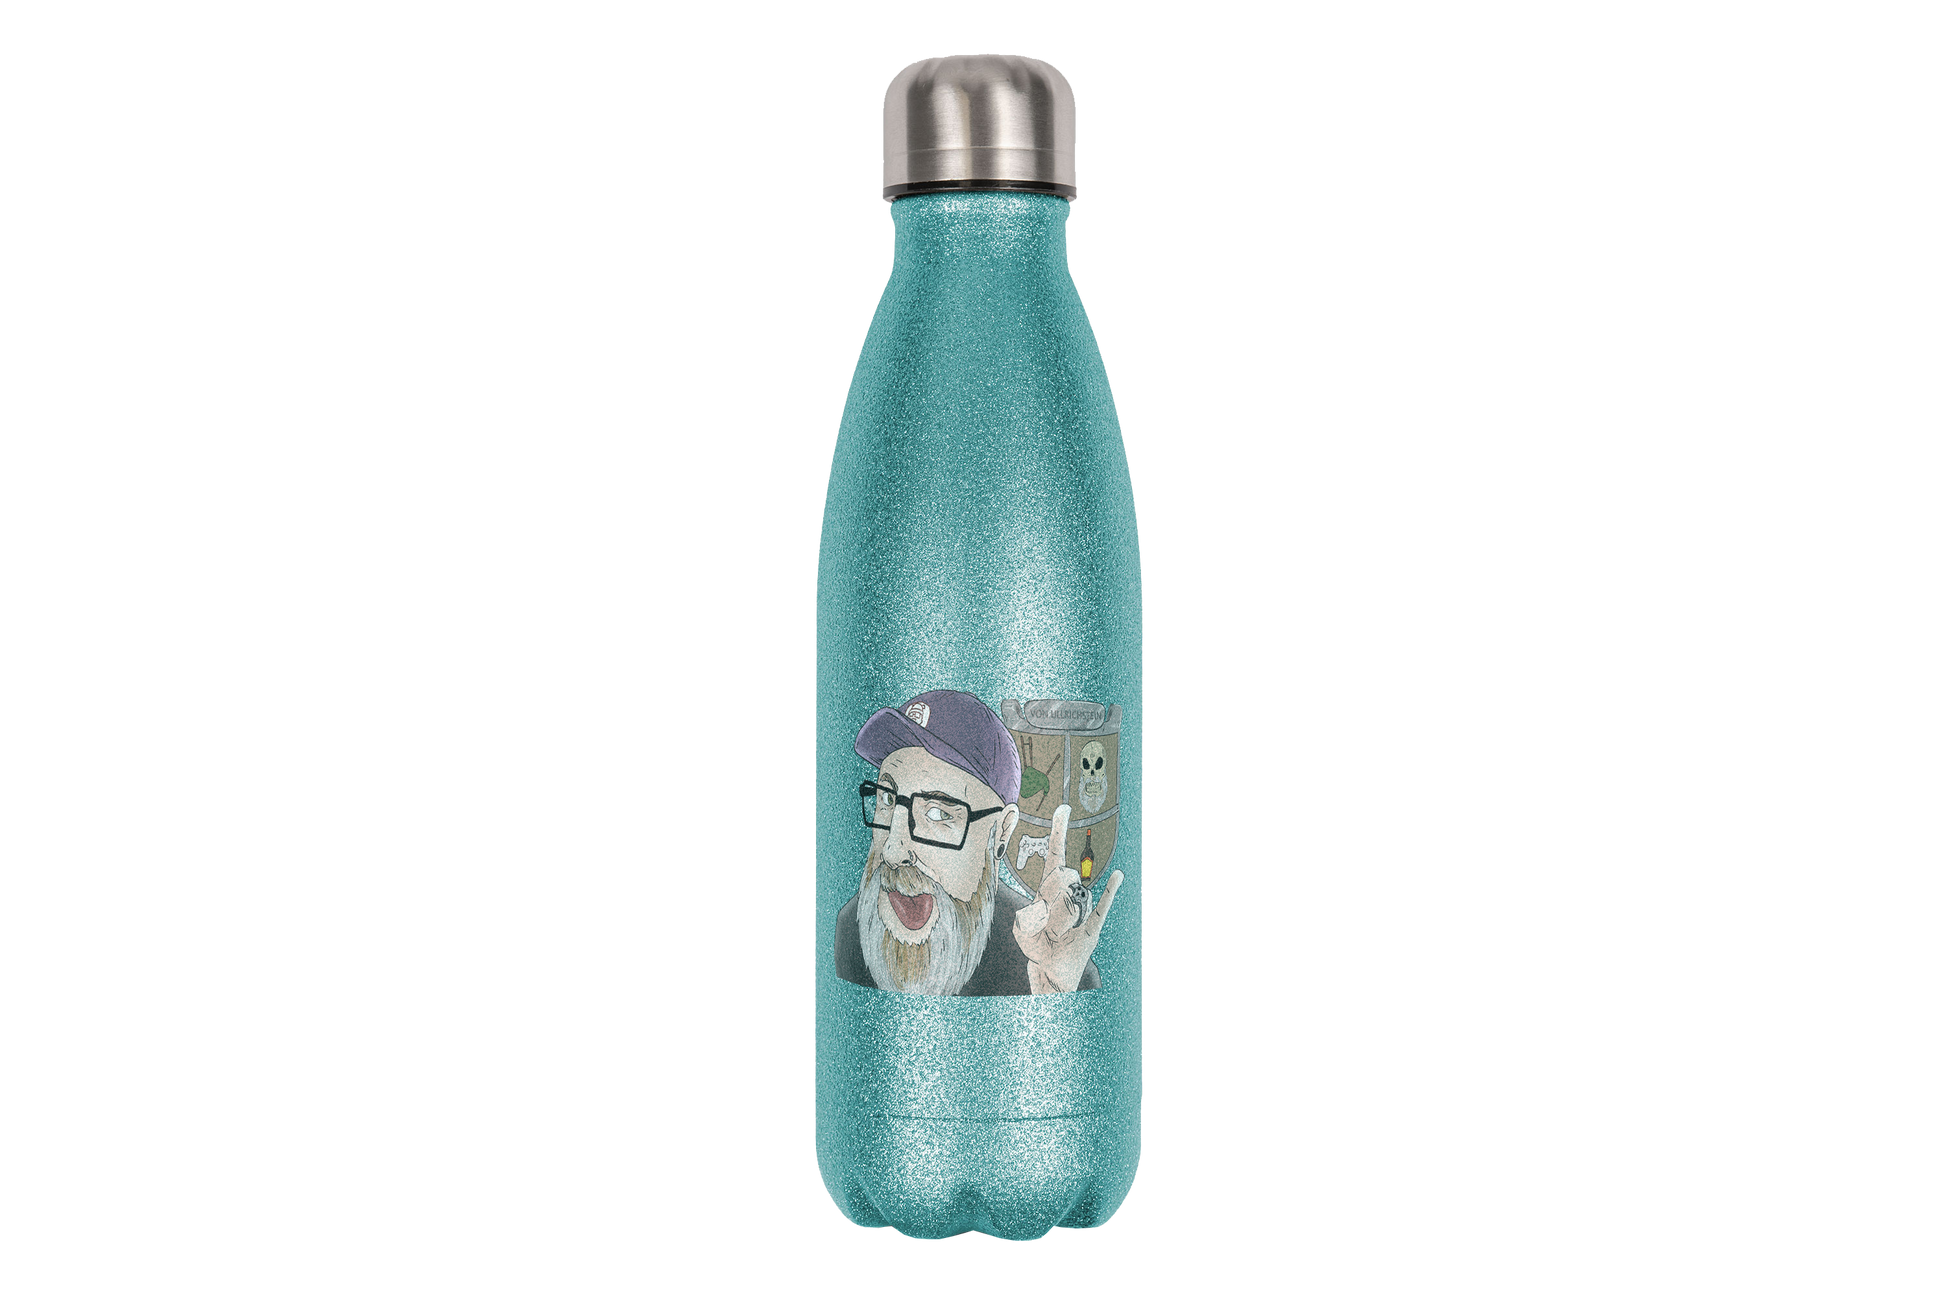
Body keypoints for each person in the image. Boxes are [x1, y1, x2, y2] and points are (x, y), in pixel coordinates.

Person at [835, 690, 1123, 996]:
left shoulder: (1047, 957)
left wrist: (1055, 1002)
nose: (893, 851)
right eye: (887, 799)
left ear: (1001, 833)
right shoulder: (850, 932)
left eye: (938, 813)